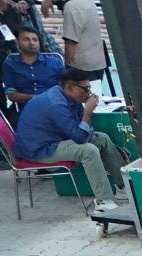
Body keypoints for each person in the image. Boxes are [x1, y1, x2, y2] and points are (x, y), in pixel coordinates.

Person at [14, 70, 123, 210]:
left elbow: (83, 131)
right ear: (70, 87)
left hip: (55, 141)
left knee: (102, 138)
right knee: (88, 151)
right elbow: (80, 138)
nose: (89, 93)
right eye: (86, 89)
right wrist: (88, 111)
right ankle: (104, 202)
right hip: (39, 149)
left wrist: (85, 120)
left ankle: (123, 186)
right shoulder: (56, 104)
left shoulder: (70, 97)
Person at [2, 27, 60, 118]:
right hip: (25, 108)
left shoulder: (55, 63)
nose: (32, 43)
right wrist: (32, 98)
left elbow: (65, 89)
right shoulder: (10, 64)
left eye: (35, 40)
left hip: (54, 107)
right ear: (17, 42)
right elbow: (11, 94)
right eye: (26, 39)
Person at [57, 0, 106, 80]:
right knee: (94, 91)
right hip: (97, 62)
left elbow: (71, 41)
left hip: (81, 67)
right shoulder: (88, 2)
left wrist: (65, 69)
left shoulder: (72, 6)